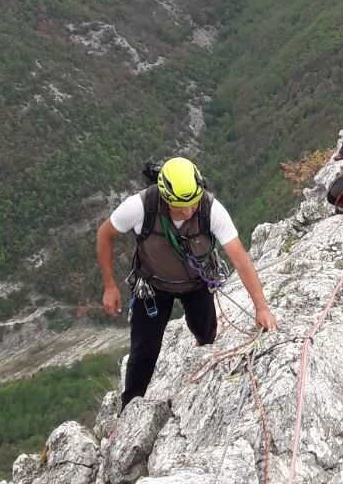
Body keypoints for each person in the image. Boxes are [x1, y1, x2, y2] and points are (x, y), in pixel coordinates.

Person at [96, 156, 277, 410]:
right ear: (166, 198)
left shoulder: (210, 209)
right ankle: (129, 409)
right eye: (182, 207)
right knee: (143, 352)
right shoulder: (140, 207)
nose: (190, 211)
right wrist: (109, 285)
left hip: (196, 284)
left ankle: (202, 368)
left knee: (207, 334)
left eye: (193, 203)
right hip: (153, 287)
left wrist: (261, 307)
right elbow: (105, 234)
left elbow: (240, 259)